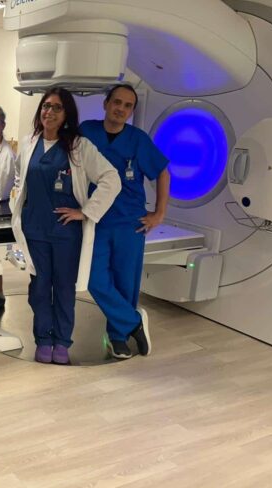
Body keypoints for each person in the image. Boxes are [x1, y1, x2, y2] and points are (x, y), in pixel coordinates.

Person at [11, 88, 120, 365]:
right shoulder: (29, 143)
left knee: (63, 288)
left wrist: (86, 212)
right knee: (39, 288)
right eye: (46, 106)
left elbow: (111, 178)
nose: (49, 112)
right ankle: (43, 340)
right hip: (34, 229)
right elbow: (19, 179)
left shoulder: (79, 146)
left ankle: (61, 342)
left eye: (57, 108)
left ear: (66, 114)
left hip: (65, 232)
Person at [81, 84, 170, 360]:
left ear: (132, 111)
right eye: (117, 102)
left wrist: (159, 213)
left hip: (129, 221)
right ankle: (132, 321)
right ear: (106, 103)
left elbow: (163, 172)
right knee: (92, 278)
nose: (121, 109)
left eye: (128, 105)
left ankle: (118, 337)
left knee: (125, 281)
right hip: (95, 219)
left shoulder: (138, 139)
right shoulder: (87, 131)